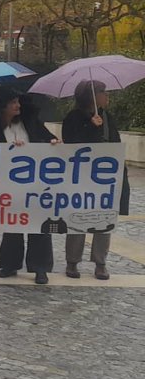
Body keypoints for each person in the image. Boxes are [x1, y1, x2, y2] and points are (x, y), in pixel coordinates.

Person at [0, 88, 57, 284]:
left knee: (40, 224)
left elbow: (46, 137)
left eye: (18, 102)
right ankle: (9, 264)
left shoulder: (30, 122)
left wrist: (53, 141)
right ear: (2, 107)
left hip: (36, 182)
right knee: (12, 222)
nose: (18, 105)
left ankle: (40, 267)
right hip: (9, 183)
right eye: (13, 102)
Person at [62, 79, 128, 281]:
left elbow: (114, 144)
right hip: (81, 175)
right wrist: (90, 127)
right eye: (103, 92)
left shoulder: (107, 116)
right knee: (78, 217)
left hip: (106, 177)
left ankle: (100, 262)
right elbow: (71, 143)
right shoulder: (73, 117)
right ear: (91, 95)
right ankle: (72, 261)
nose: (107, 96)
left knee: (105, 217)